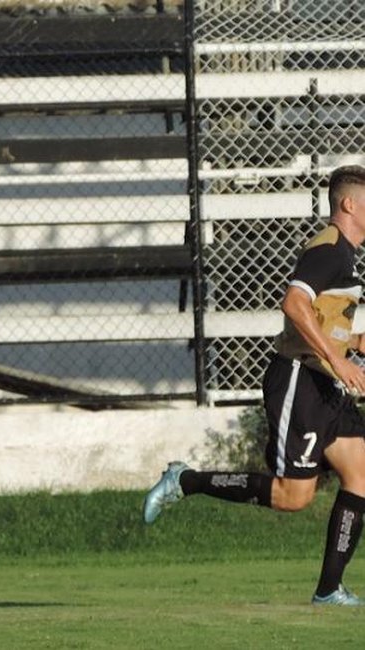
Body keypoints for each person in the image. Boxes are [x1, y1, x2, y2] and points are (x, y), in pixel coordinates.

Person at [144, 164, 365, 606]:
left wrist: (353, 345)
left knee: (361, 474)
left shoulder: (346, 255)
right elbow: (294, 303)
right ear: (349, 204)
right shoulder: (330, 250)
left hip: (324, 382)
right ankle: (185, 481)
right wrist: (338, 360)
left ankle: (328, 590)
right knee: (291, 497)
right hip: (301, 380)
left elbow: (325, 321)